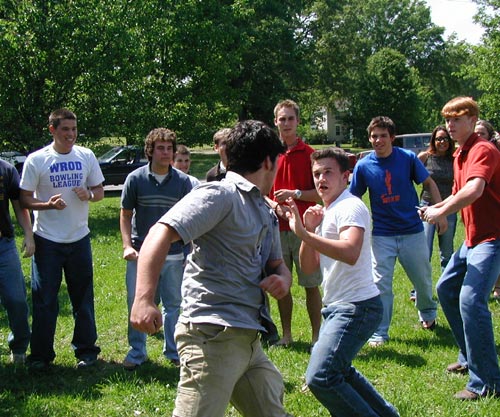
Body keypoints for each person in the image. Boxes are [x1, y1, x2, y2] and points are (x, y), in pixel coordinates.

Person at [130, 120, 293, 417]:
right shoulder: (220, 195)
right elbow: (159, 233)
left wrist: (283, 279)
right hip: (212, 337)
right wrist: (143, 299)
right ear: (269, 161)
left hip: (249, 340)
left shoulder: (264, 209)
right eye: (278, 162)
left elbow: (277, 264)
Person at [286, 147, 400, 417]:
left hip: (357, 307)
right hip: (336, 307)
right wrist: (310, 231)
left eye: (328, 172)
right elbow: (309, 266)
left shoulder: (350, 206)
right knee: (340, 371)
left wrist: (303, 232)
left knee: (321, 377)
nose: (321, 179)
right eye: (316, 174)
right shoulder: (329, 210)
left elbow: (350, 252)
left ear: (346, 176)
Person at [422, 97, 500, 400]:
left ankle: (486, 382)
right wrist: (433, 207)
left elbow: (474, 189)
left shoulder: (483, 150)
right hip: (471, 240)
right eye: (447, 120)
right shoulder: (460, 154)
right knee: (447, 289)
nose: (449, 126)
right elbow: (457, 192)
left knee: (471, 300)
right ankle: (470, 357)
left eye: (456, 119)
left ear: (472, 120)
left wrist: (442, 213)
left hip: (492, 238)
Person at [20, 108, 104, 369]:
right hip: (47, 240)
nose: (71, 135)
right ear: (52, 130)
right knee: (44, 299)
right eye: (65, 129)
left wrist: (88, 195)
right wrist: (47, 205)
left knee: (83, 298)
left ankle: (87, 352)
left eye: (74, 129)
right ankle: (41, 356)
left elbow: (99, 191)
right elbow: (24, 199)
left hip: (79, 238)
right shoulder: (37, 160)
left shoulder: (86, 156)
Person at [349, 116, 444, 347]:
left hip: (412, 230)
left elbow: (429, 184)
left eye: (383, 136)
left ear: (392, 137)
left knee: (421, 279)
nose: (378, 140)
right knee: (381, 284)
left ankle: (428, 313)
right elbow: (353, 197)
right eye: (374, 136)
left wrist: (439, 211)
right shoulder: (363, 165)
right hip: (381, 234)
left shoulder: (408, 158)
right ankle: (380, 331)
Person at [120, 128, 193, 370]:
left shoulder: (183, 182)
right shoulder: (136, 179)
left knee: (174, 305)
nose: (165, 152)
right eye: (160, 148)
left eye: (169, 148)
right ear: (150, 150)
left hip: (174, 255)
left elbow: (190, 219)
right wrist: (127, 245)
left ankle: (173, 352)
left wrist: (188, 252)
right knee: (137, 301)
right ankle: (137, 351)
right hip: (141, 255)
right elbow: (126, 214)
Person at [267, 99, 322, 348]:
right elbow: (261, 191)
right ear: (276, 122)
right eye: (282, 119)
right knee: (282, 285)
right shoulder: (270, 155)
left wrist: (296, 194)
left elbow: (321, 193)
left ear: (298, 122)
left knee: (311, 284)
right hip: (276, 229)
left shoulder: (311, 155)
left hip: (304, 229)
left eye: (290, 118)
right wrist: (275, 206)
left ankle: (316, 337)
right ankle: (286, 335)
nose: (286, 123)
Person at [0, 159, 35, 365]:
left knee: (17, 300)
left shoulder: (6, 170)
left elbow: (19, 206)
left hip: (4, 245)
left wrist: (28, 234)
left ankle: (19, 347)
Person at [474, 119, 500, 300]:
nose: (477, 137)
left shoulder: (489, 153)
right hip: (480, 223)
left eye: (481, 133)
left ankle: (497, 285)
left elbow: (475, 189)